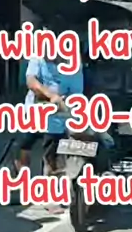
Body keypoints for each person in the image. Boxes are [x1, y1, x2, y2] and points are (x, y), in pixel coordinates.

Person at [12, 52, 84, 181]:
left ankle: (50, 184)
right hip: (32, 113)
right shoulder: (38, 56)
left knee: (52, 160)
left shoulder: (73, 64)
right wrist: (50, 96)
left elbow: (76, 95)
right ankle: (22, 182)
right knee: (22, 148)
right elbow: (31, 81)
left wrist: (62, 103)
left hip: (57, 120)